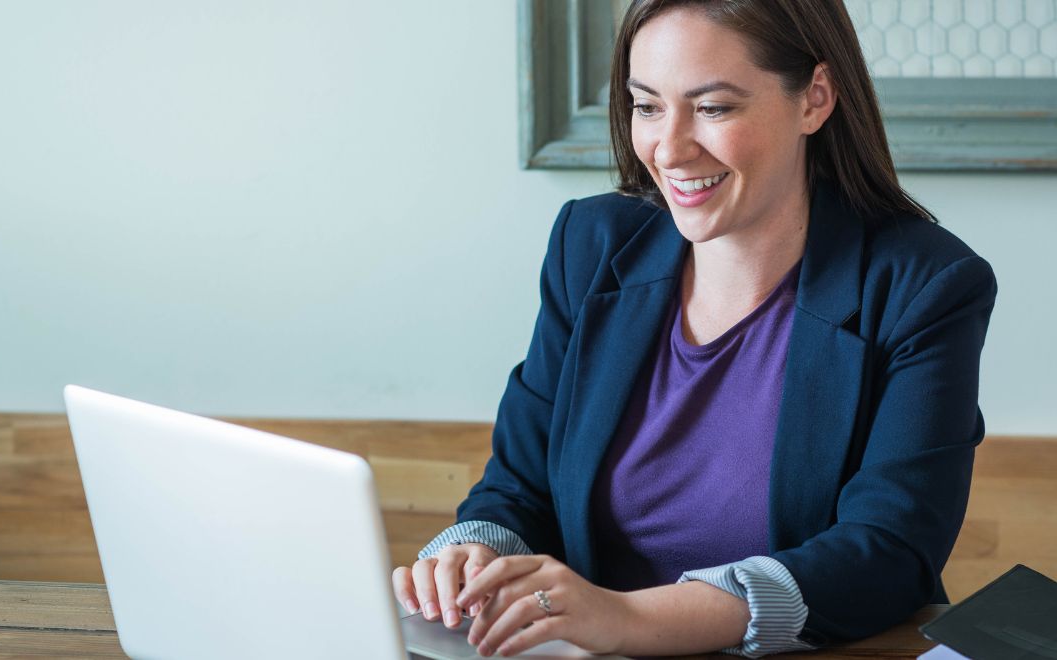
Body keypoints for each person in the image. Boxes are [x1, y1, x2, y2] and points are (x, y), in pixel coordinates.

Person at [392, 0, 997, 656]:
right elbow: (520, 483)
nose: (668, 148)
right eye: (647, 105)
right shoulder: (590, 247)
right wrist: (472, 551)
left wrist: (627, 618)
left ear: (814, 100)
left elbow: (889, 551)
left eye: (713, 108)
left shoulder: (924, 287)